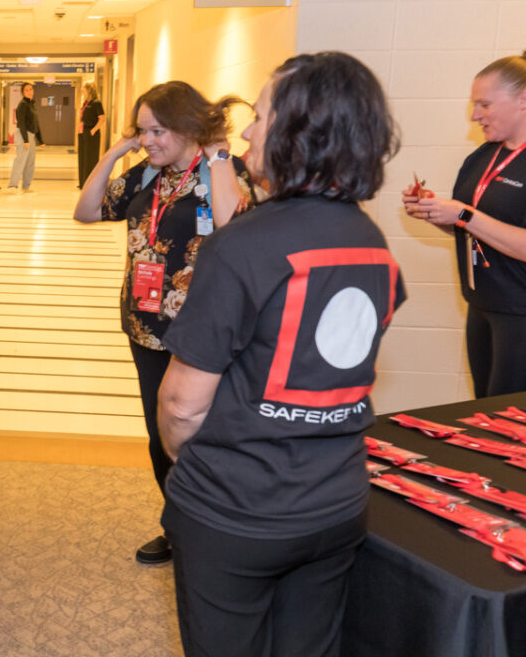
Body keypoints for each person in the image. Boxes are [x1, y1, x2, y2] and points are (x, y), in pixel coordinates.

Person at [159, 52, 404, 657]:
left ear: (299, 131)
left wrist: (207, 470)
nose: (244, 130)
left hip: (237, 513)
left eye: (261, 115)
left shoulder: (242, 246)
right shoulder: (371, 240)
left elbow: (182, 408)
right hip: (336, 504)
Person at [74, 80, 256, 565]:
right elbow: (86, 211)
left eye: (158, 131)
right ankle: (179, 527)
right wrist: (114, 153)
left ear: (187, 127)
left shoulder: (224, 171)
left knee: (198, 435)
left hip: (199, 335)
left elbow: (230, 228)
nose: (148, 141)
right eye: (141, 131)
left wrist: (216, 157)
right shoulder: (145, 176)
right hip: (145, 327)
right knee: (161, 437)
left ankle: (215, 531)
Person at [403, 53, 526, 397]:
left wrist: (462, 215)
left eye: (484, 104)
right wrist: (435, 212)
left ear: (523, 99)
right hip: (483, 305)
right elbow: (470, 227)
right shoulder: (482, 156)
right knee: (483, 413)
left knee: (510, 422)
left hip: (520, 312)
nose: (475, 116)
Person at [8, 82, 43, 192]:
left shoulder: (31, 104)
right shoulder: (22, 104)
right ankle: (13, 185)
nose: (30, 92)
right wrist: (26, 140)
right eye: (27, 90)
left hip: (31, 136)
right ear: (23, 92)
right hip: (24, 135)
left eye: (31, 89)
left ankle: (26, 186)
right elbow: (21, 123)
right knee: (20, 160)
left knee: (30, 162)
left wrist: (40, 140)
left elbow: (36, 123)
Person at [76, 82, 105, 189]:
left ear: (89, 90)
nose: (82, 92)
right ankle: (83, 183)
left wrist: (93, 130)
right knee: (83, 157)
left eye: (84, 90)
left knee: (90, 158)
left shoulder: (96, 103)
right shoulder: (86, 103)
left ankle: (90, 183)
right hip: (83, 132)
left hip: (91, 133)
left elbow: (102, 118)